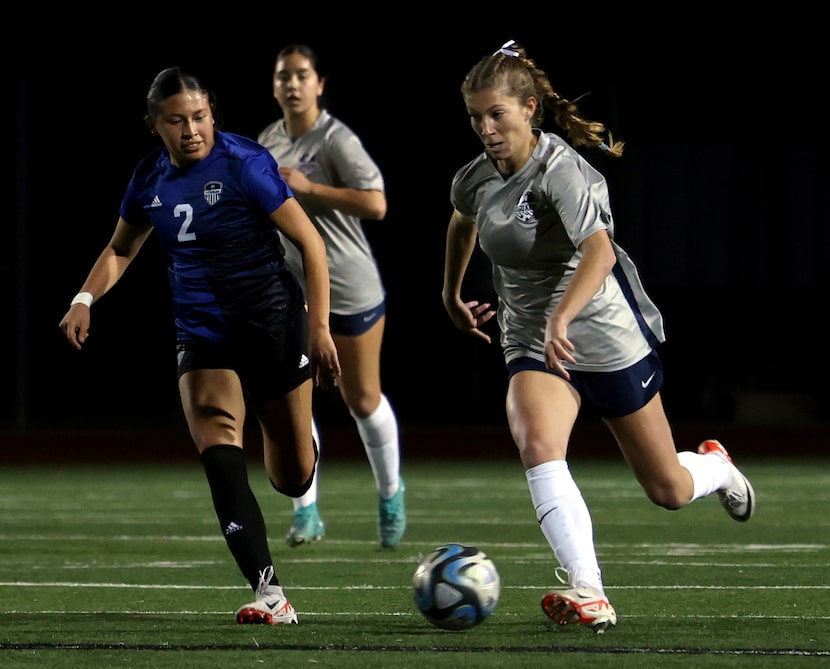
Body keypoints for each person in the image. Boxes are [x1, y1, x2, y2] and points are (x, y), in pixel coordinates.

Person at [441, 40, 756, 634]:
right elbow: (462, 221)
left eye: (496, 114)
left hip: (602, 332)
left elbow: (599, 252)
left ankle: (716, 469)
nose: (485, 128)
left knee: (667, 487)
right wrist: (450, 294)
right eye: (475, 117)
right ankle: (589, 590)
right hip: (532, 337)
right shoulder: (475, 178)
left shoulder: (560, 169)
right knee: (537, 443)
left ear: (529, 107)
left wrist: (563, 315)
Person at [58, 66, 341, 625]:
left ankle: (299, 439)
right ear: (153, 125)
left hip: (271, 324)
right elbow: (120, 249)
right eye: (176, 121)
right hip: (202, 333)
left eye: (200, 117)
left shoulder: (244, 164)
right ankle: (271, 596)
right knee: (219, 455)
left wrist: (321, 328)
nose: (191, 130)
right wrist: (84, 299)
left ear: (213, 115)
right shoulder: (148, 180)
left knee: (292, 476)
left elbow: (310, 242)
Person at [257, 44, 405, 549]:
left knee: (361, 399)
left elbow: (377, 203)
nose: (292, 84)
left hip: (348, 286)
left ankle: (390, 495)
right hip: (293, 294)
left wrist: (309, 190)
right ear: (274, 86)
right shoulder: (267, 142)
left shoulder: (336, 139)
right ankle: (307, 512)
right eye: (283, 77)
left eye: (302, 75)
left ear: (320, 84)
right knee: (295, 401)